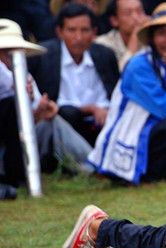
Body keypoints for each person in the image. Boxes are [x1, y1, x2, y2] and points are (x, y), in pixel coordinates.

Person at [87, 2, 166, 184]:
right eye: (162, 34)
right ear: (152, 38)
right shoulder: (139, 65)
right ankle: (149, 175)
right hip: (136, 135)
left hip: (161, 132)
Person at [0, 19, 92, 199]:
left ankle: (93, 166)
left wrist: (40, 112)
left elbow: (27, 125)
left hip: (19, 147)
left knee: (53, 121)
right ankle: (94, 165)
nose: (7, 57)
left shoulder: (24, 74)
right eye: (4, 52)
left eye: (11, 52)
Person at [27, 3, 120, 145]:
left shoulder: (105, 55)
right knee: (69, 114)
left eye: (85, 30)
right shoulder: (42, 55)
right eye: (71, 30)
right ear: (59, 32)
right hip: (63, 126)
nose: (79, 37)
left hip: (104, 125)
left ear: (94, 32)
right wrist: (91, 109)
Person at [94, 0, 149, 71]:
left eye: (139, 11)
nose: (136, 18)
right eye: (128, 13)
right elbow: (121, 75)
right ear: (114, 20)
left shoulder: (150, 40)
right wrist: (135, 36)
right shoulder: (102, 44)